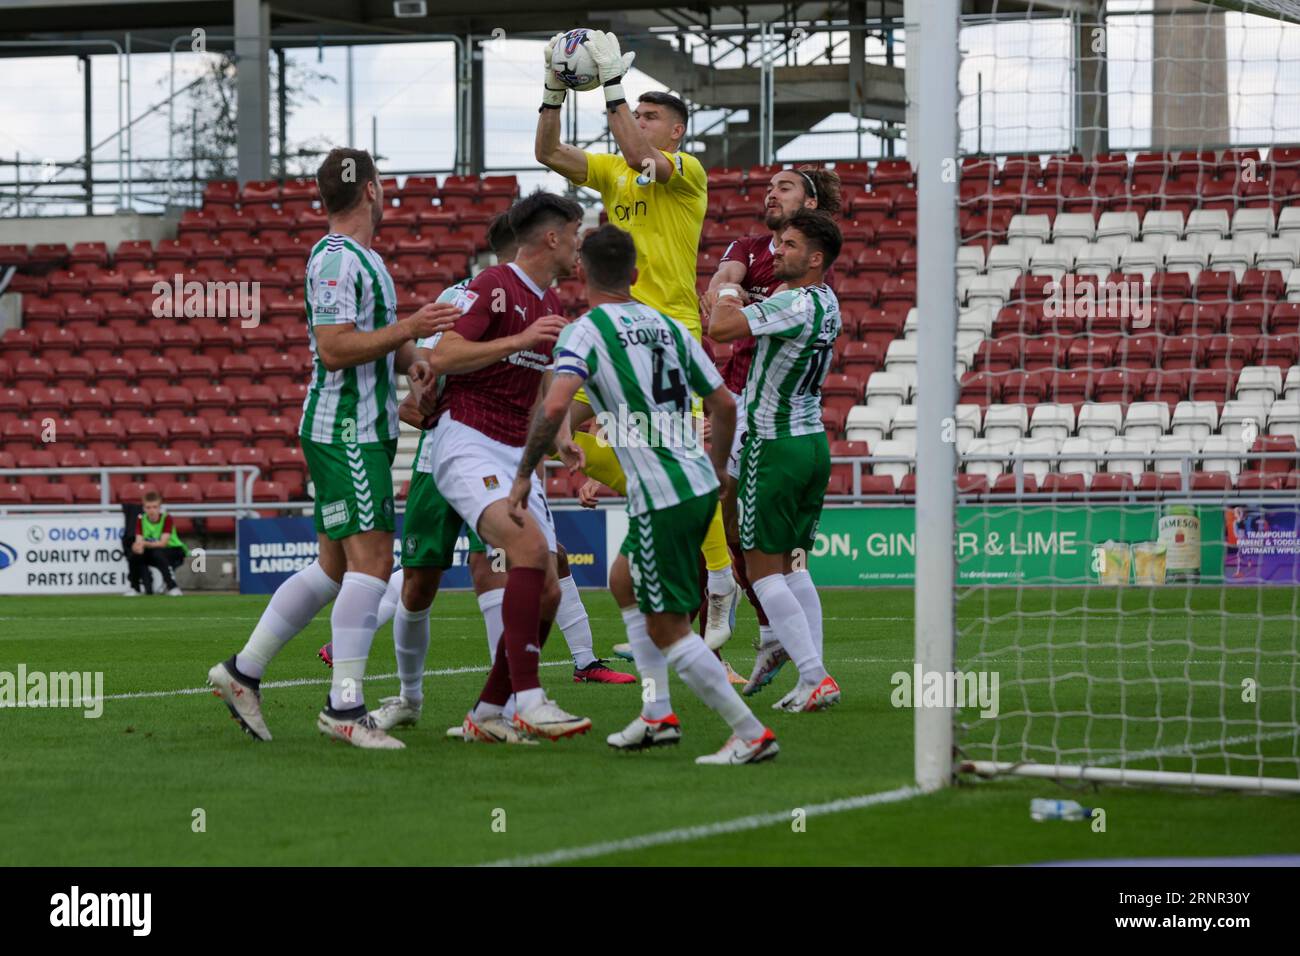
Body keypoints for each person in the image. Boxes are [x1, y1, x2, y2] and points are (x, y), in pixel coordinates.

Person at [206, 147, 460, 748]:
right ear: (372, 191)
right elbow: (335, 348)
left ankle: (243, 672)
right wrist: (411, 329)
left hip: (359, 426)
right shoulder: (336, 258)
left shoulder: (363, 261)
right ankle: (344, 708)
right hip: (345, 427)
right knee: (373, 562)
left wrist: (416, 362)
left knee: (334, 567)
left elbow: (377, 343)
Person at [510, 222, 779, 763]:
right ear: (635, 275)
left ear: (582, 272)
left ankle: (750, 733)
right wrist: (720, 470)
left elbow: (556, 406)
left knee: (667, 626)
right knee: (622, 580)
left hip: (661, 493)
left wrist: (523, 473)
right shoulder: (668, 325)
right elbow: (724, 405)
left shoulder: (584, 331)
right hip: (694, 480)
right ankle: (655, 714)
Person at [535, 31, 742, 653]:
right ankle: (668, 605)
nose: (639, 123)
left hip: (669, 332)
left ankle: (719, 581)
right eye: (638, 114)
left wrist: (610, 87)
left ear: (674, 133)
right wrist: (553, 89)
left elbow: (632, 149)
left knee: (671, 458)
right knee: (566, 438)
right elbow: (545, 151)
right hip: (615, 328)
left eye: (652, 117)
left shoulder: (686, 173)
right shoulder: (616, 174)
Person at [426, 190, 591, 743]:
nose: (579, 246)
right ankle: (530, 700)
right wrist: (518, 339)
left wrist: (563, 439)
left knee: (548, 584)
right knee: (525, 551)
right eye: (575, 235)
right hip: (467, 439)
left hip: (516, 452)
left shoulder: (550, 307)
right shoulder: (494, 286)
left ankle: (486, 713)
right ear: (552, 237)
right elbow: (442, 355)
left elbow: (546, 380)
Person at [701, 165, 843, 694]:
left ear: (814, 259)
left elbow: (718, 328)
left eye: (787, 246)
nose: (775, 252)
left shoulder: (790, 301)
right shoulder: (829, 303)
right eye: (777, 243)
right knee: (795, 565)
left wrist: (732, 290)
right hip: (812, 444)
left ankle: (811, 675)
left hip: (772, 443)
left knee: (763, 572)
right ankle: (816, 673)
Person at [124, 490, 188, 596]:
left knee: (158, 553)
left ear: (159, 508)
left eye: (154, 507)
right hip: (155, 550)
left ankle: (172, 587)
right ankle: (135, 588)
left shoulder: (166, 518)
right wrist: (137, 547)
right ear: (144, 508)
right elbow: (139, 541)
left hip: (174, 551)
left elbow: (163, 543)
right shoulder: (141, 519)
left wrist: (143, 543)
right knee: (134, 555)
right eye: (148, 507)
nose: (151, 510)